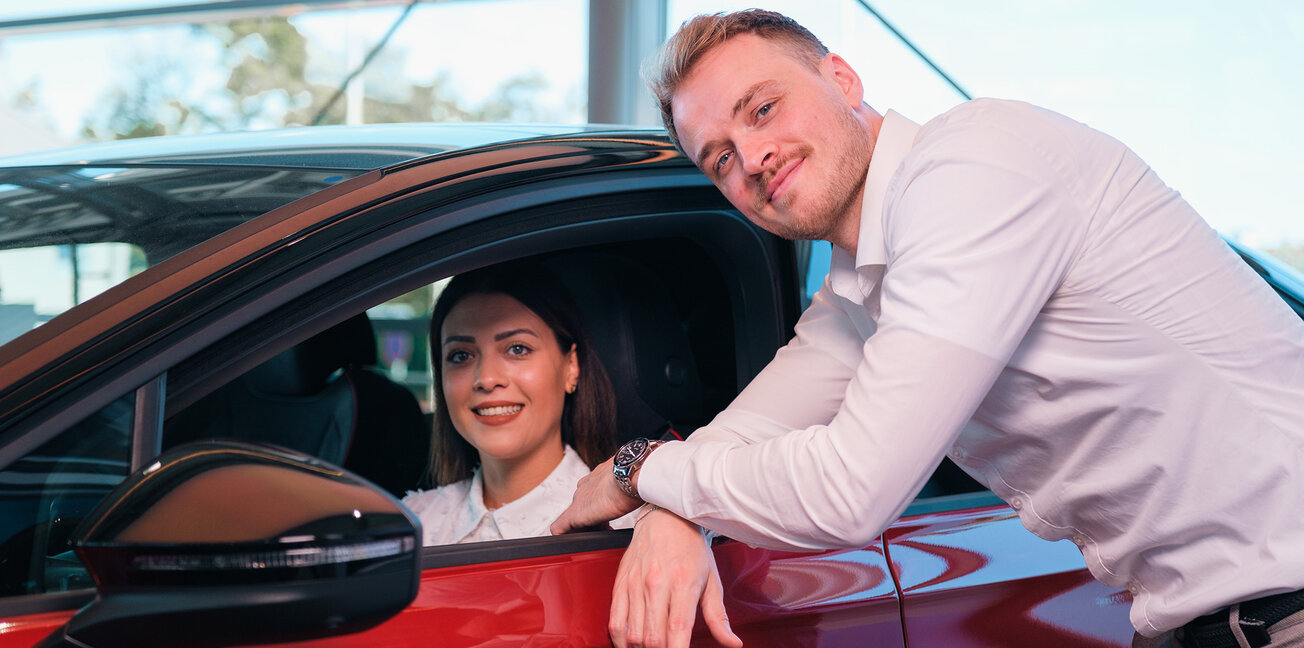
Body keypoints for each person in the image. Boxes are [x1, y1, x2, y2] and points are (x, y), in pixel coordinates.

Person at [550, 9, 1304, 648]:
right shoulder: (862, 290)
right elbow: (744, 433)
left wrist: (642, 467)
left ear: (842, 79)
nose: (750, 157)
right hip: (1202, 619)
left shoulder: (972, 168)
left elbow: (852, 490)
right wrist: (674, 512)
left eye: (763, 109)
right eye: (718, 158)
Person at [403, 259, 630, 545]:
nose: (486, 378)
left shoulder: (633, 528)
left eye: (517, 348)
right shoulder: (413, 526)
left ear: (571, 366)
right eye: (461, 355)